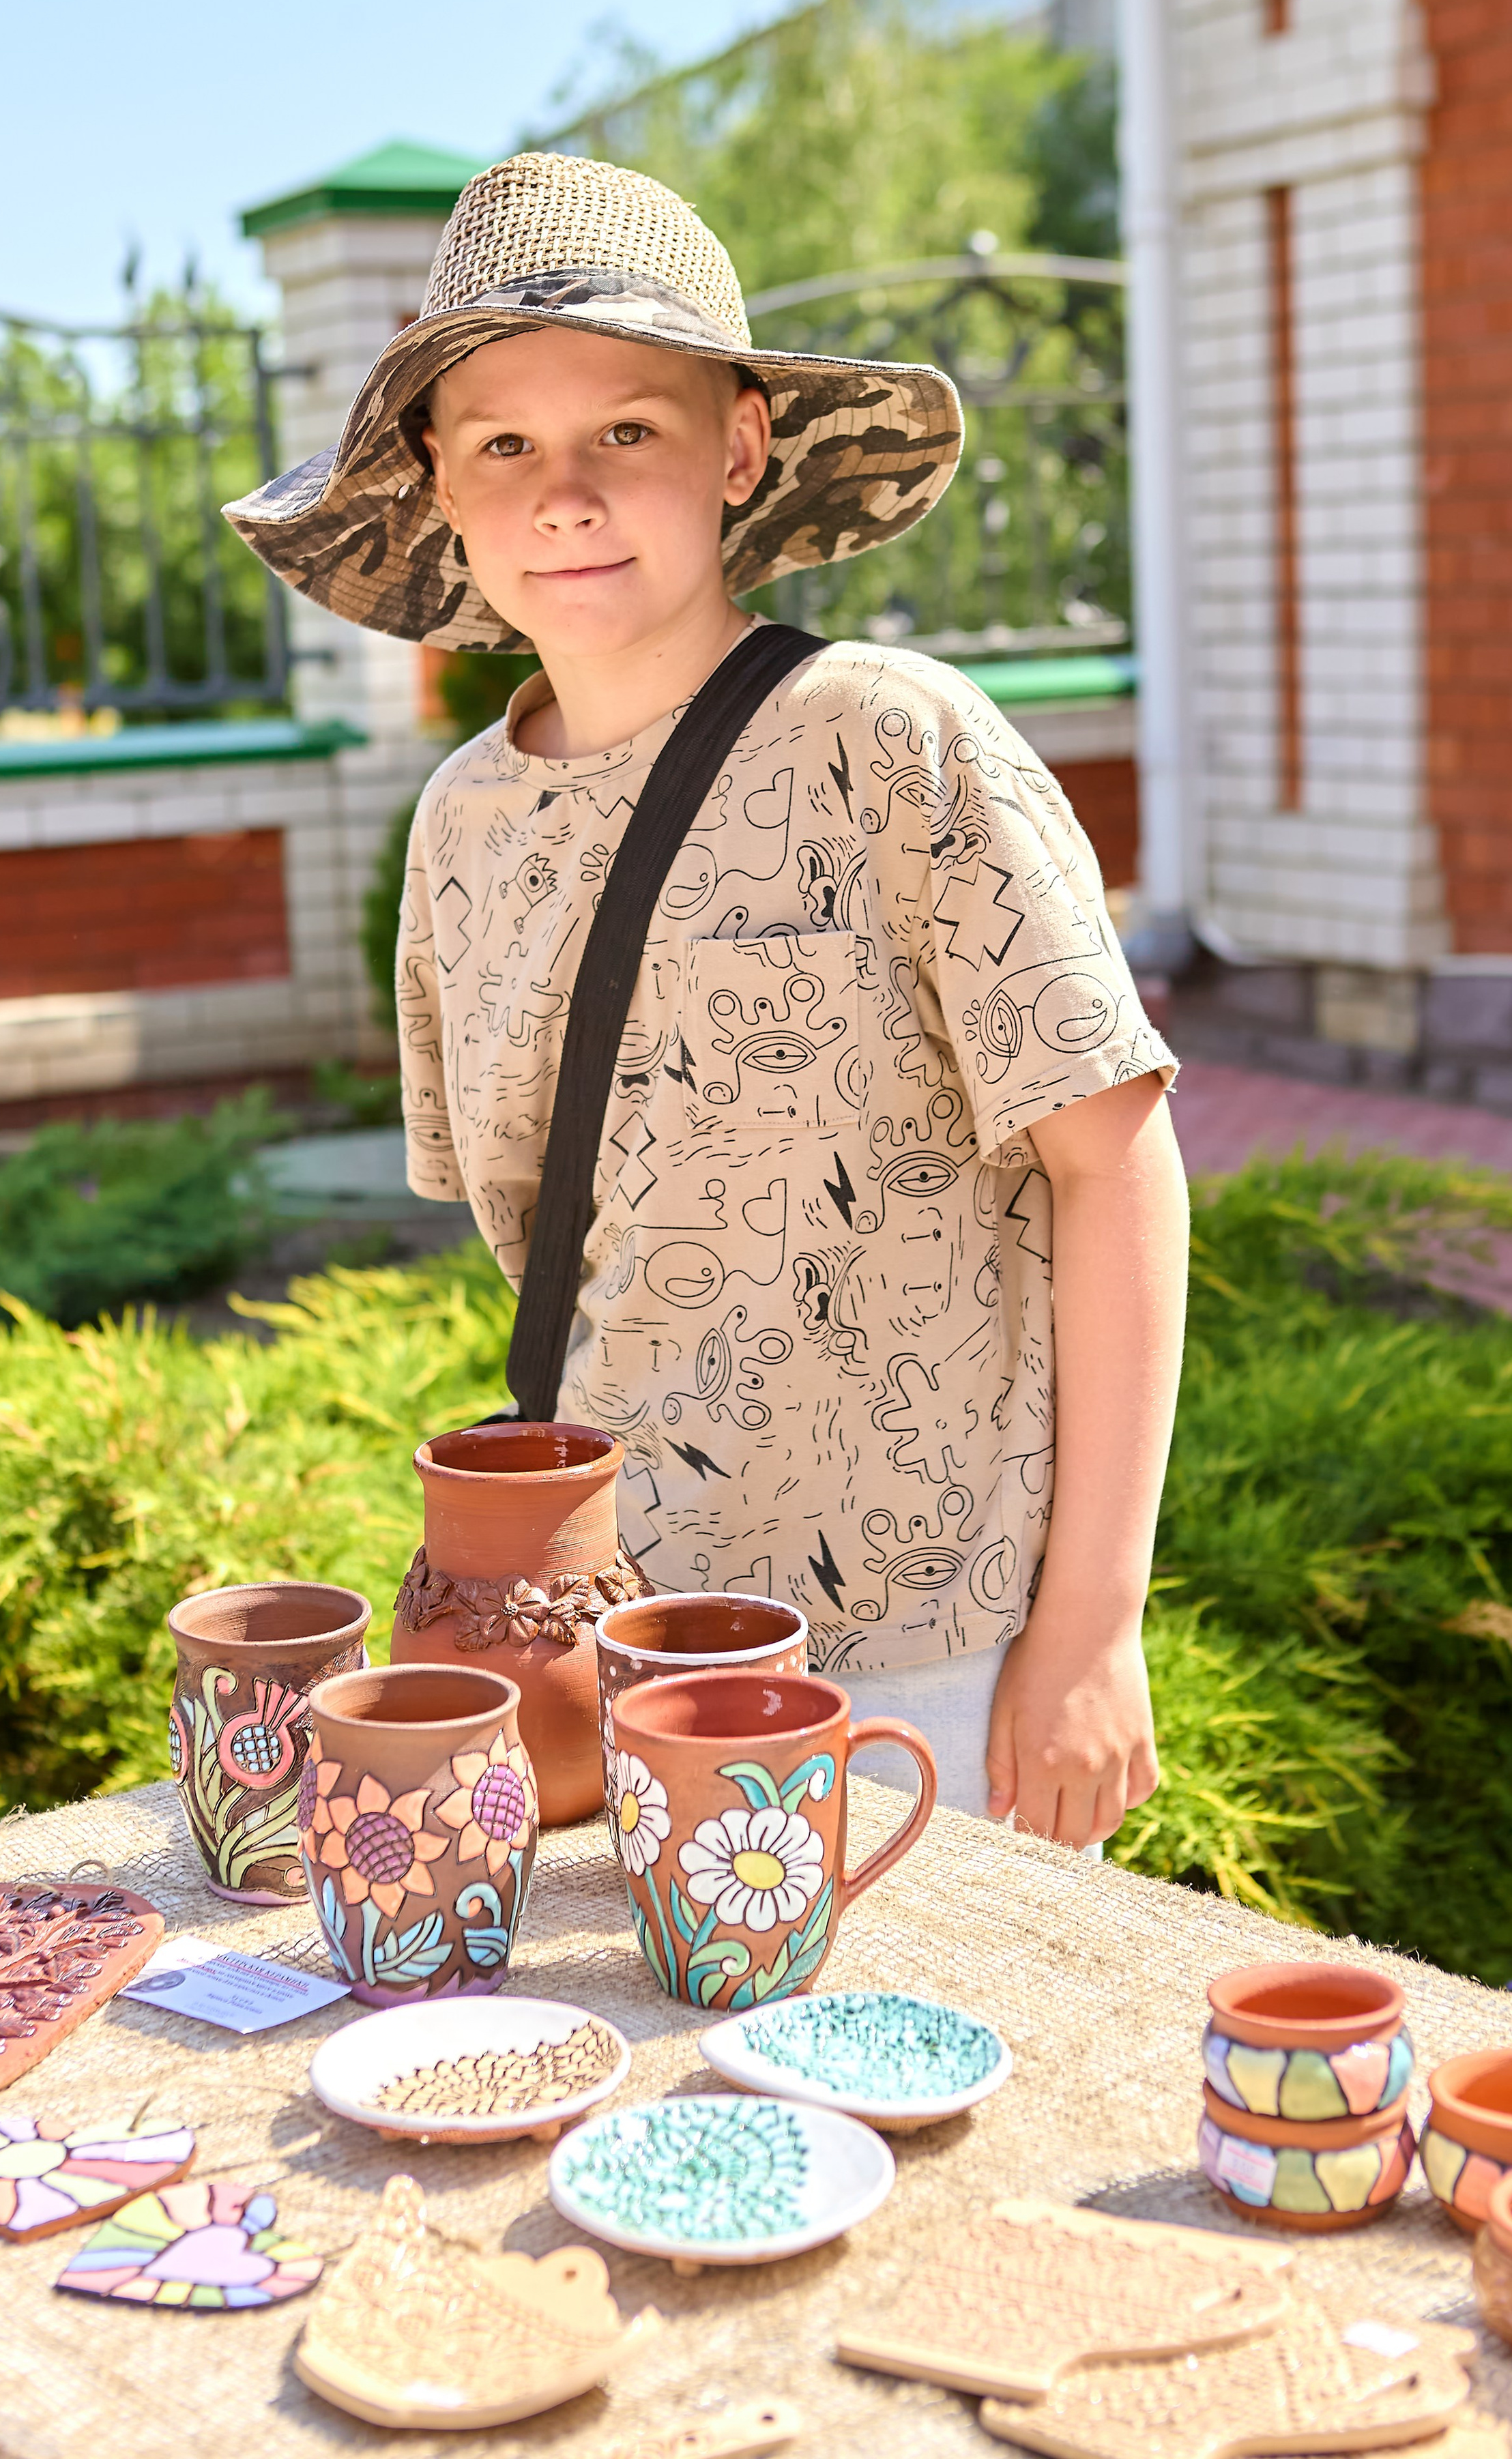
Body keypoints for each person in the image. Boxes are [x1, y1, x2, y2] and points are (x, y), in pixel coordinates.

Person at [225, 151, 1189, 1856]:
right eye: (503, 444)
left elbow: (1116, 1161)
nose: (565, 493)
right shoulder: (454, 824)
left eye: (627, 432)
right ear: (435, 480)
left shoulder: (891, 739)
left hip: (940, 1660)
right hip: (614, 1651)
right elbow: (547, 1247)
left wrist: (1092, 1626)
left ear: (737, 445)